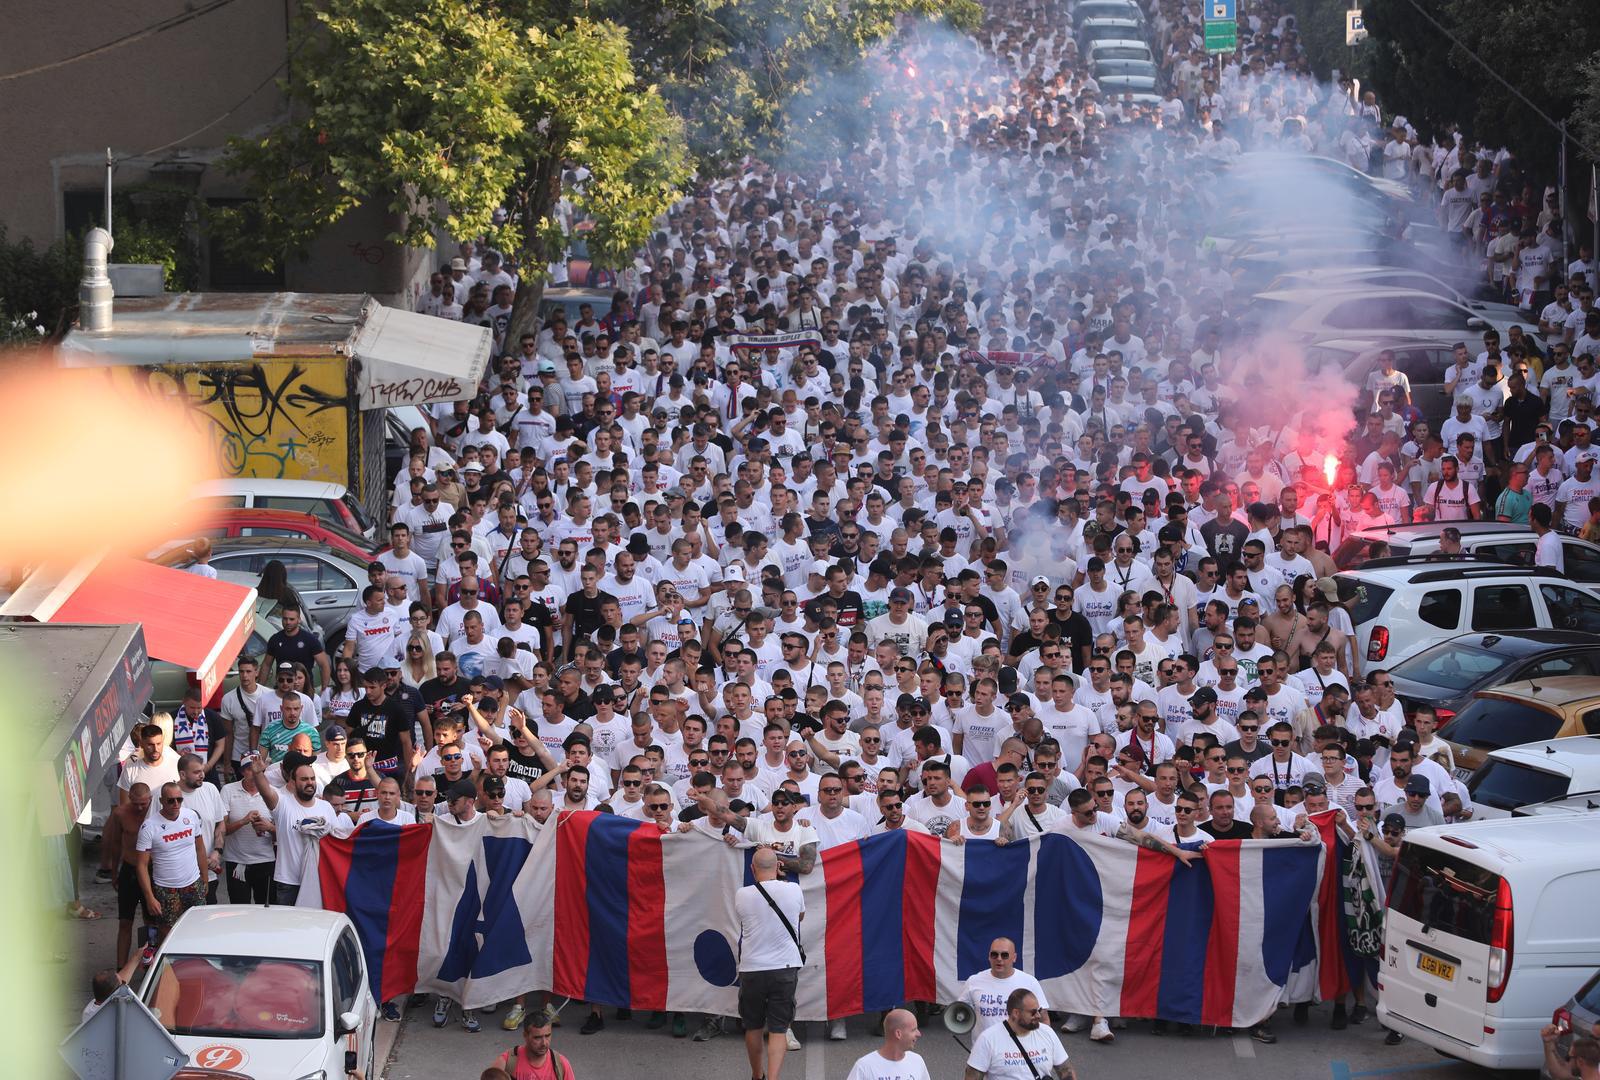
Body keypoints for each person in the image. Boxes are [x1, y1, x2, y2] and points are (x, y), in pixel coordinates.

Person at [737, 847, 805, 1080]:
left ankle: (757, 1075)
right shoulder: (794, 889)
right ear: (778, 867)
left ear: (752, 869)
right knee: (778, 1029)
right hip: (784, 967)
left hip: (752, 968)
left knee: (753, 1026)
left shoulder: (742, 894)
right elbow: (800, 916)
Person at [134, 781, 208, 946]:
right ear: (161, 801)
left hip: (193, 884)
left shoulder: (191, 816)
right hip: (166, 888)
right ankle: (165, 969)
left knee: (198, 928)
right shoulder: (149, 827)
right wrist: (149, 897)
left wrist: (204, 878)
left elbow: (200, 849)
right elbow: (141, 865)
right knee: (167, 933)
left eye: (179, 800)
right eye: (170, 800)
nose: (176, 804)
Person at [963, 989, 1075, 1080]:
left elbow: (1066, 1071)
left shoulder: (1047, 1033)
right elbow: (972, 1077)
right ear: (1016, 1013)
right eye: (1032, 1012)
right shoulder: (988, 1039)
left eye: (1038, 1010)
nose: (1038, 1016)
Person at [960, 937, 1050, 1039]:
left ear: (1014, 957)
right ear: (989, 956)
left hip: (1018, 1052)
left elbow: (1044, 1020)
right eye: (994, 954)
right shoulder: (973, 981)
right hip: (985, 1050)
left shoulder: (1029, 982)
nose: (999, 959)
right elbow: (960, 1011)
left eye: (1004, 955)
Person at [846, 1008, 931, 1080]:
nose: (919, 1034)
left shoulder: (917, 1061)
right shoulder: (864, 1067)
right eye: (913, 1030)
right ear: (898, 1034)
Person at [489, 1009, 575, 1080]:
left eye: (547, 1036)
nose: (544, 1043)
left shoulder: (561, 1065)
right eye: (537, 1037)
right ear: (525, 1036)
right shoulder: (506, 1062)